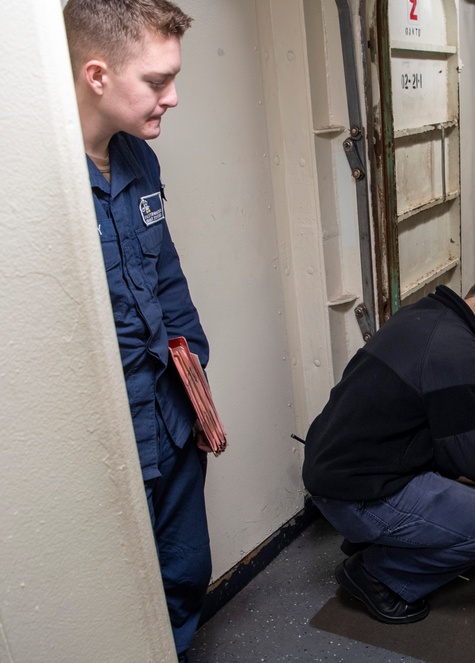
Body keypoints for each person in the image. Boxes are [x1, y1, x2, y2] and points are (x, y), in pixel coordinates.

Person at [64, 1, 212, 659]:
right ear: (97, 75)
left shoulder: (136, 158)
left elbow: (166, 276)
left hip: (171, 408)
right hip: (106, 431)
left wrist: (195, 374)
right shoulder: (42, 182)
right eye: (156, 82)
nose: (172, 99)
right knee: (119, 590)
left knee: (184, 572)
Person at [303, 277, 475, 624]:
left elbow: (448, 422)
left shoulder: (421, 316)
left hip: (332, 471)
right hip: (356, 496)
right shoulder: (461, 354)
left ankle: (377, 539)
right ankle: (377, 575)